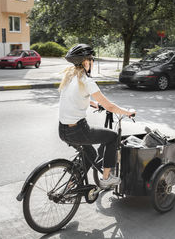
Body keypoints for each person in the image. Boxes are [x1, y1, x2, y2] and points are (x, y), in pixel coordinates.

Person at [58, 44, 135, 189]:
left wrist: (92, 103)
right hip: (78, 131)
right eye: (92, 60)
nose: (92, 62)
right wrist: (127, 112)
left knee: (90, 154)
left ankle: (71, 185)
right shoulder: (87, 81)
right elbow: (110, 106)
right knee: (112, 137)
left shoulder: (69, 77)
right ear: (86, 62)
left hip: (62, 130)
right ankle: (106, 178)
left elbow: (75, 98)